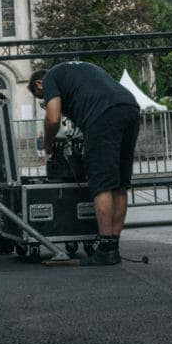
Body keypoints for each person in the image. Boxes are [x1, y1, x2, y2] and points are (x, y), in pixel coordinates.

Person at [27, 61, 140, 266]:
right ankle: (112, 246)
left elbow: (53, 118)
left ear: (39, 84)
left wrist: (47, 145)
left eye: (42, 98)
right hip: (130, 107)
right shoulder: (79, 69)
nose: (44, 101)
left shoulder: (50, 77)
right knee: (120, 184)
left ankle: (105, 248)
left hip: (103, 115)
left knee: (102, 183)